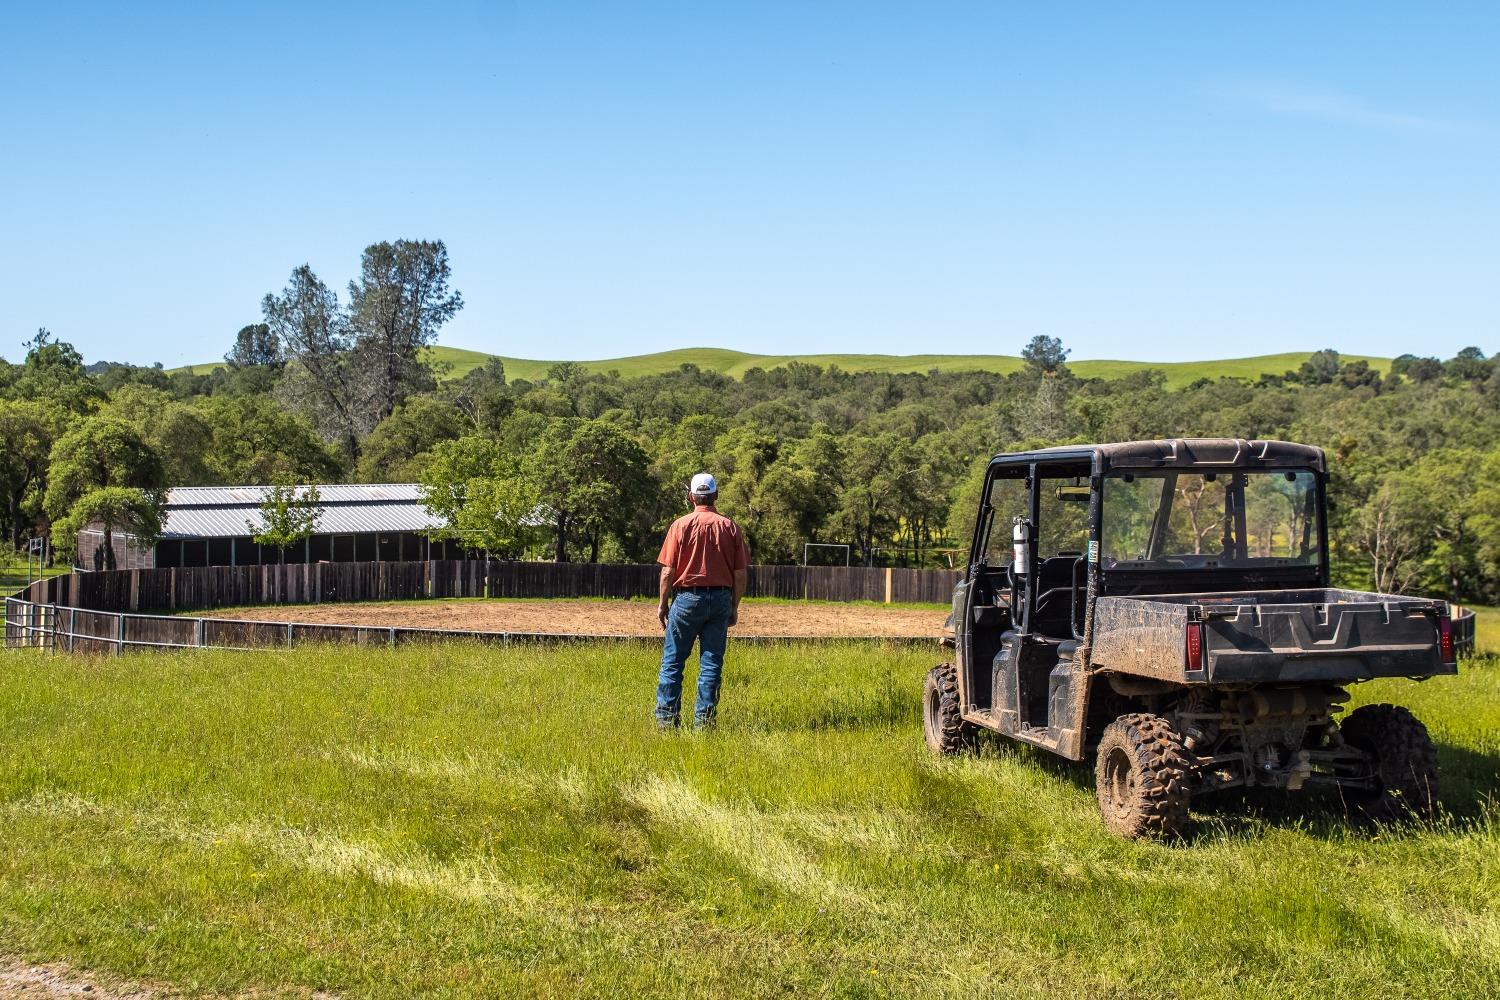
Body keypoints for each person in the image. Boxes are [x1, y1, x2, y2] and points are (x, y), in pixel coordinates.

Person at [654, 472, 750, 730]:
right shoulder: (730, 527)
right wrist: (734, 606)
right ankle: (705, 725)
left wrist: (663, 605)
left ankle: (666, 723)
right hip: (720, 598)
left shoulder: (680, 526)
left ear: (691, 497)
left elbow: (667, 571)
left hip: (686, 598)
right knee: (711, 664)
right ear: (716, 495)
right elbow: (740, 574)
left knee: (673, 662)